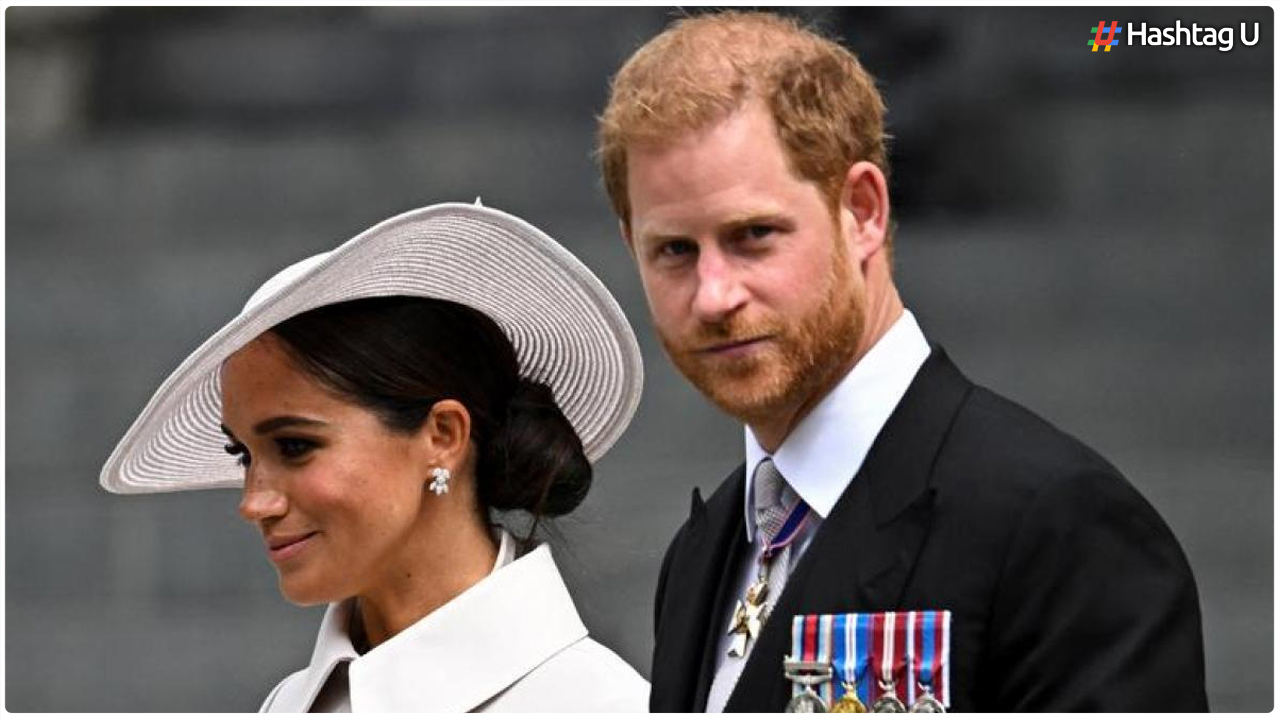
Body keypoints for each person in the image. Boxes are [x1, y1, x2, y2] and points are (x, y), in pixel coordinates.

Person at [596, 10, 1208, 713]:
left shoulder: (1060, 527)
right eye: (674, 250)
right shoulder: (701, 554)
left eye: (754, 235)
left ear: (862, 211)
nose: (714, 295)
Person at [99, 202, 649, 712]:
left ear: (443, 435)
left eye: (295, 446)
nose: (253, 502)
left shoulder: (601, 705)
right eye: (242, 454)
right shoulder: (287, 705)